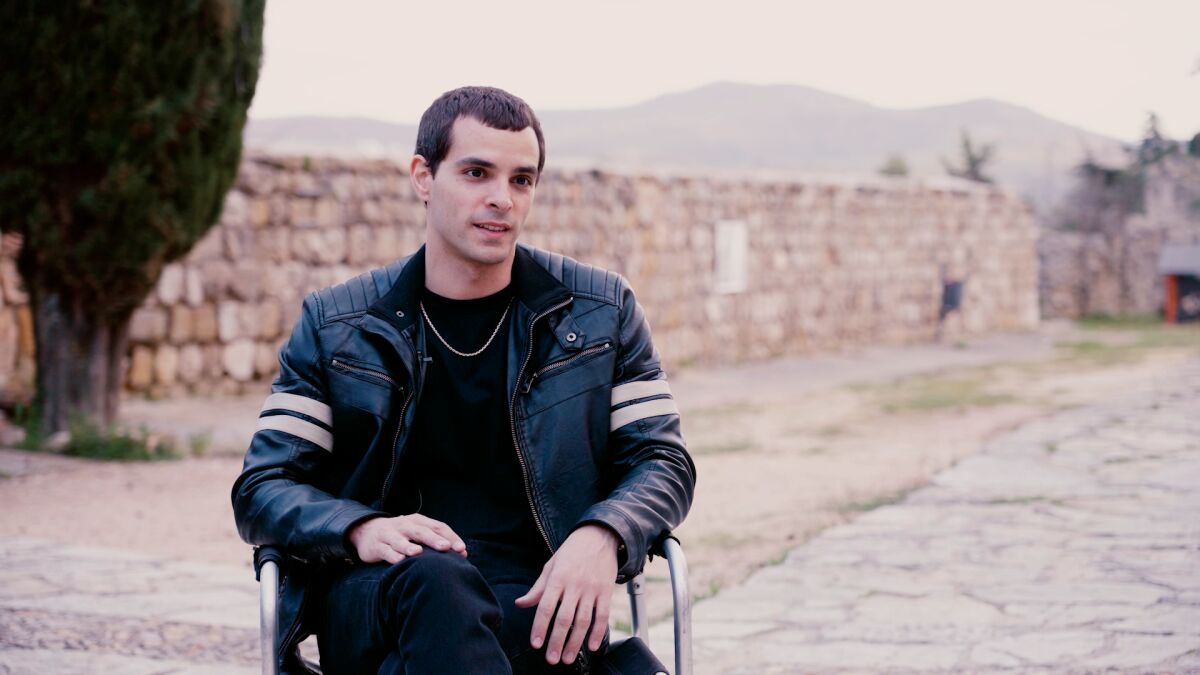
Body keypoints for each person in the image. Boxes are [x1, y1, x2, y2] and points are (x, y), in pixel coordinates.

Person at [232, 86, 696, 674]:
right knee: (439, 580)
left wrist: (604, 533)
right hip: (378, 588)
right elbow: (263, 485)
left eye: (521, 180)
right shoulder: (336, 326)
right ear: (423, 177)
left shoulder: (601, 312)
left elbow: (663, 460)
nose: (502, 198)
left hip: (533, 599)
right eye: (477, 173)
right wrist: (358, 527)